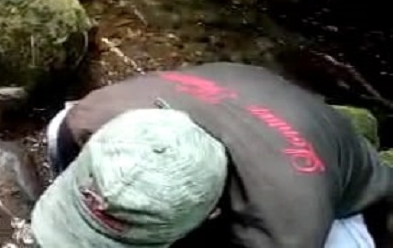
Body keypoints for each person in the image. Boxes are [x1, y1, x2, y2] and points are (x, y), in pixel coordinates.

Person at [33, 62, 393, 247]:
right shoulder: (88, 118)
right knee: (60, 124)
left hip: (340, 200)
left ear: (208, 212)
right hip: (246, 91)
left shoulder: (283, 229)